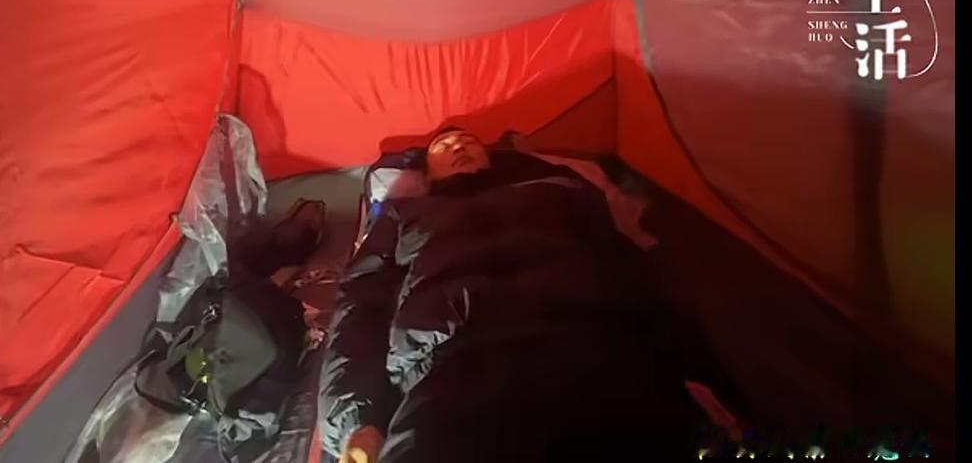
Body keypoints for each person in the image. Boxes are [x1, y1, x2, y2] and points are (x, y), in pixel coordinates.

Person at [319, 128, 748, 463]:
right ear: (426, 172)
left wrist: (694, 367)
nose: (459, 144)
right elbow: (362, 302)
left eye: (468, 140)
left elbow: (629, 267)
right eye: (444, 145)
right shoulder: (402, 214)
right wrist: (358, 420)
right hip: (451, 366)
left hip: (592, 343)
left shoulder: (555, 189)